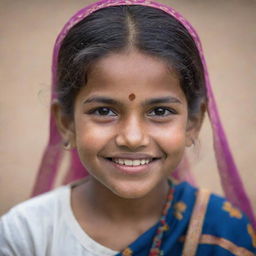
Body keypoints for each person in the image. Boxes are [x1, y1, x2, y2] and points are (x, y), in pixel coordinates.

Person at [0, 0, 255, 255]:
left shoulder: (221, 234)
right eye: (104, 111)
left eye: (159, 111)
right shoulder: (26, 234)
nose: (132, 138)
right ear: (66, 123)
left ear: (193, 123)